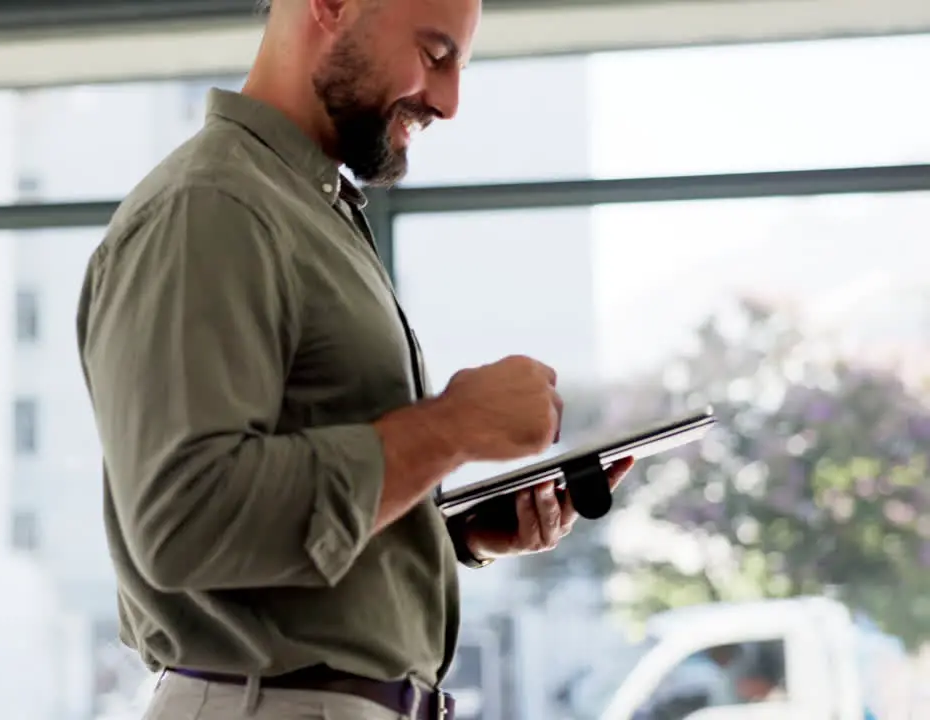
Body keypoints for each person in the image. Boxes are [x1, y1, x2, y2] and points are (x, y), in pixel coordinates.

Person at [75, 0, 633, 717]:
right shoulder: (212, 208)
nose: (450, 101)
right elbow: (187, 520)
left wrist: (446, 528)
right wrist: (451, 427)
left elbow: (279, 522)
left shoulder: (304, 207)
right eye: (435, 56)